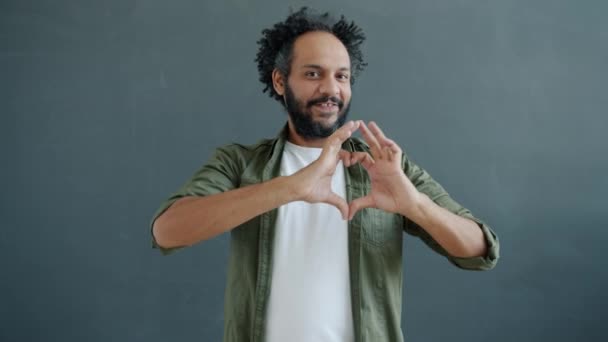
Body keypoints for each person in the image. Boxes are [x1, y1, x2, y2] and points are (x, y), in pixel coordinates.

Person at [150, 7, 499, 342]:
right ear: (280, 81)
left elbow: (480, 250)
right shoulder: (239, 163)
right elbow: (167, 230)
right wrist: (290, 187)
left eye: (341, 76)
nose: (331, 90)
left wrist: (415, 204)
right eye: (313, 73)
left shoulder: (386, 168)